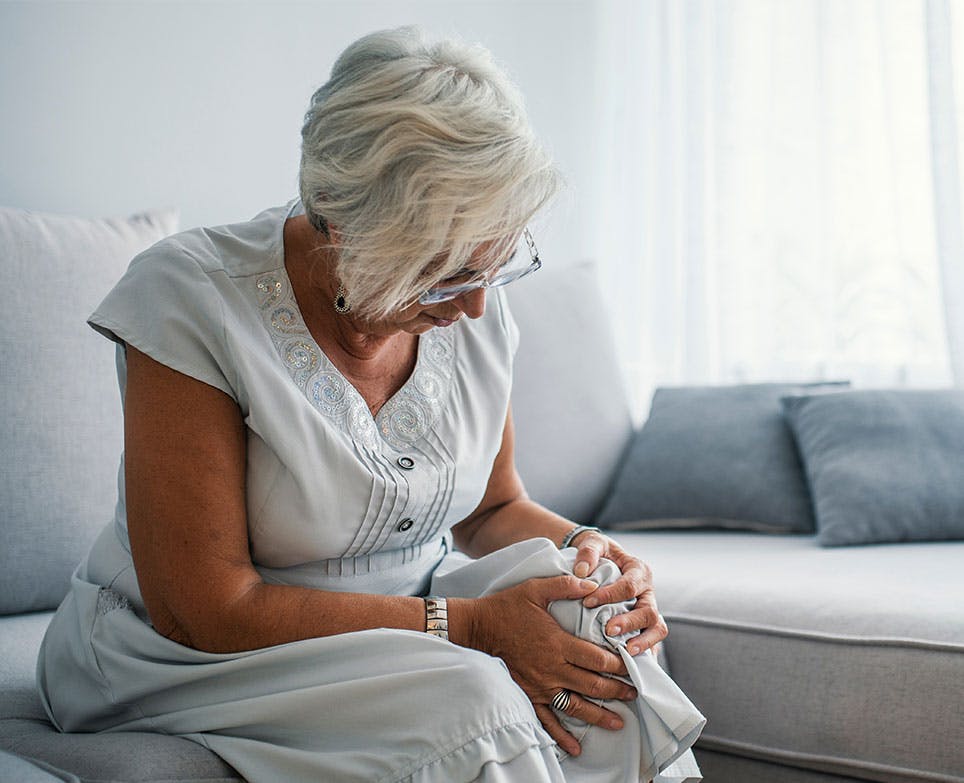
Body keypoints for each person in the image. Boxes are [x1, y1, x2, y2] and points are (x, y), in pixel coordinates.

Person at [37, 26, 702, 783]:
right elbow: (206, 608)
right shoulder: (191, 297)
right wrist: (470, 627)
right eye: (444, 272)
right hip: (184, 651)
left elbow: (490, 509)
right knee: (473, 697)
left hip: (407, 620)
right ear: (340, 221)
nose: (479, 306)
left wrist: (595, 551)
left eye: (496, 261)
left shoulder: (471, 303)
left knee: (593, 635)